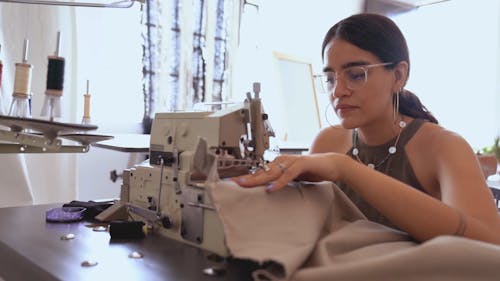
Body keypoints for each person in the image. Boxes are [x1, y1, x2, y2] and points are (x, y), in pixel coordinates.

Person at [233, 13, 500, 245]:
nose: (337, 91)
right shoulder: (327, 142)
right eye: (329, 79)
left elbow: (488, 243)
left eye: (356, 74)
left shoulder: (444, 147)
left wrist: (347, 169)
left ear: (398, 76)